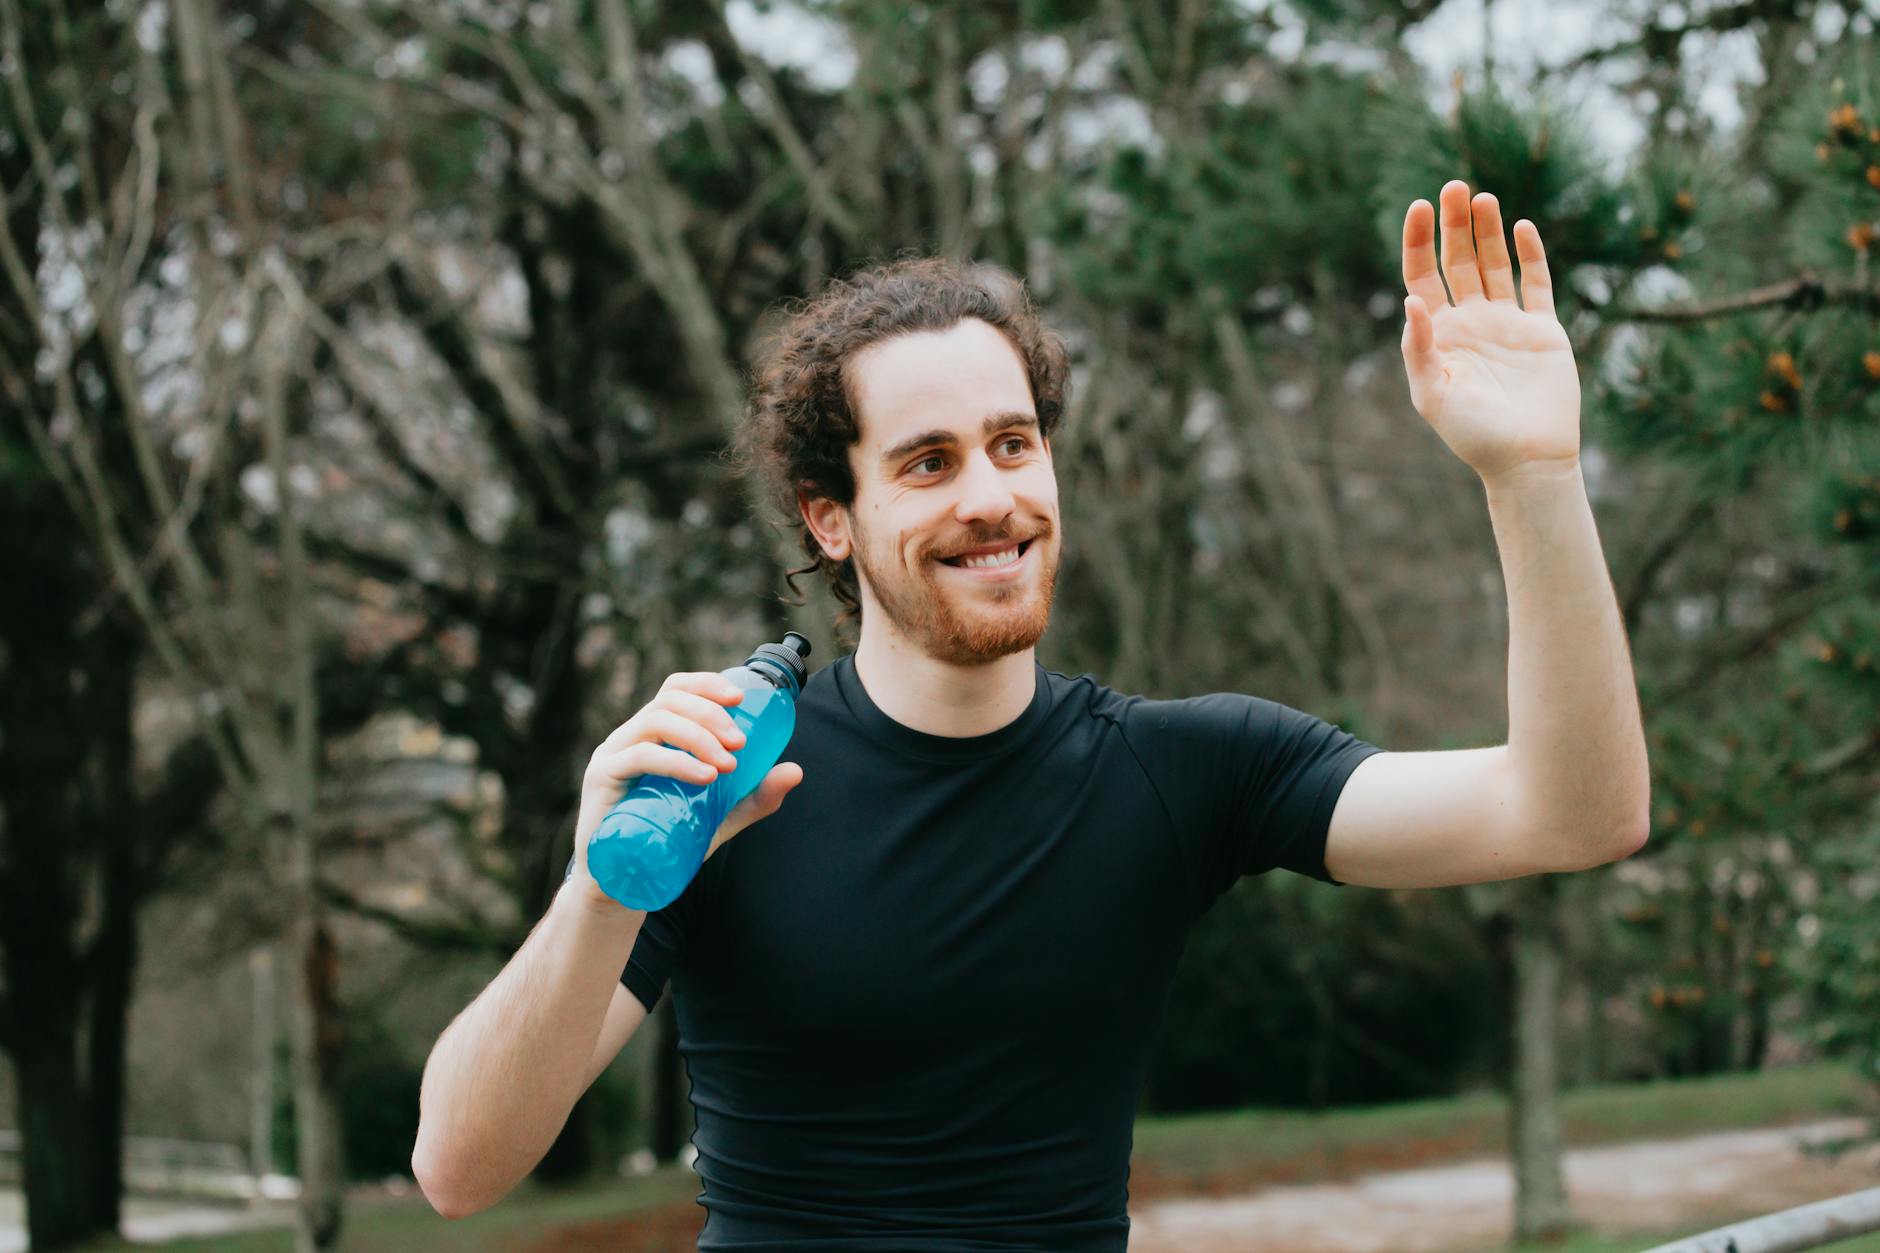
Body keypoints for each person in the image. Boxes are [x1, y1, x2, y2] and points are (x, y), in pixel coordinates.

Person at [411, 179, 1652, 1249]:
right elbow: (458, 1168)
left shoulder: (1180, 771)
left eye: (1012, 444)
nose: (989, 496)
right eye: (927, 461)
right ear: (829, 517)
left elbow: (1570, 813)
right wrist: (601, 886)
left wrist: (1532, 474)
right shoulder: (726, 784)